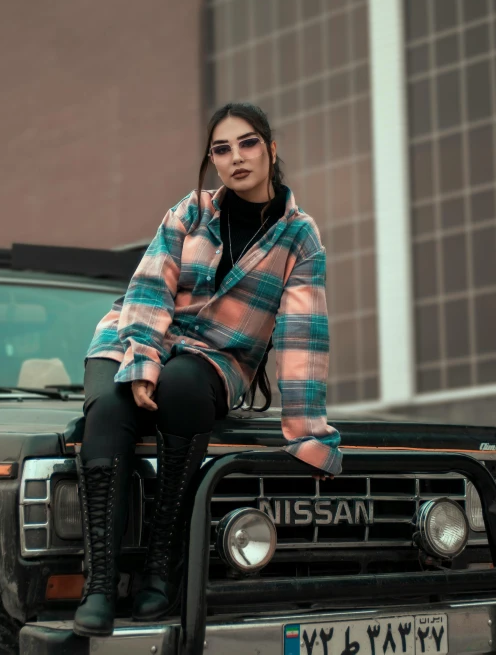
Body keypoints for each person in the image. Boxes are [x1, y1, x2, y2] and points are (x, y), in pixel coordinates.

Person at [72, 102, 342, 638]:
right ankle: (99, 584)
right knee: (109, 406)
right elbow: (150, 288)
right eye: (222, 148)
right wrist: (143, 358)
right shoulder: (189, 212)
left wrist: (307, 434)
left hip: (218, 357)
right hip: (133, 335)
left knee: (185, 387)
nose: (236, 158)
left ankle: (157, 570)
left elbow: (302, 336)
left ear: (270, 148)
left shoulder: (299, 237)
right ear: (213, 159)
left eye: (247, 144)